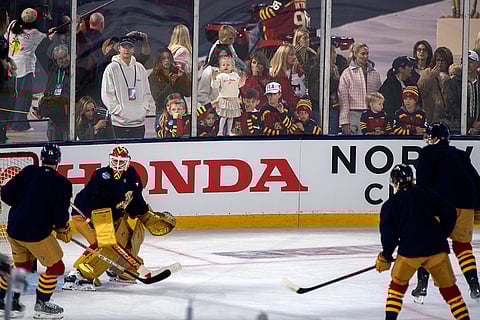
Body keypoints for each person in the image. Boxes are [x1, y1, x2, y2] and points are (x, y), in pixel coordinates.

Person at [63, 145, 176, 290]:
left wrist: (147, 216)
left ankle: (121, 270)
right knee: (106, 245)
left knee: (128, 240)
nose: (117, 165)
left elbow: (135, 199)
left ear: (128, 162)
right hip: (87, 216)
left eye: (121, 162)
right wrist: (93, 218)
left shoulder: (132, 176)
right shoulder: (101, 175)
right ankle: (79, 274)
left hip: (112, 218)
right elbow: (90, 199)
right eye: (114, 161)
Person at [376, 164, 470, 320]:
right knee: (450, 290)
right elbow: (449, 211)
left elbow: (389, 236)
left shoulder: (390, 204)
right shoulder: (426, 193)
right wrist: (442, 233)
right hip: (437, 249)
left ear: (395, 182)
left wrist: (385, 256)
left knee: (397, 287)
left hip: (410, 253)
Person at [0, 143, 72, 319]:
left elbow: (6, 194)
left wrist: (25, 206)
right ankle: (42, 303)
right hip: (36, 233)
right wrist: (63, 227)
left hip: (14, 228)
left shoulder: (29, 171)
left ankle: (6, 303)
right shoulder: (62, 182)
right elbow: (60, 215)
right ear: (58, 161)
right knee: (56, 266)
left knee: (22, 266)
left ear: (42, 158)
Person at [411, 122, 480, 302]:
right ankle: (474, 286)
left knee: (427, 243)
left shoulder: (427, 153)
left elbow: (423, 183)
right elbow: (476, 181)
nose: (426, 139)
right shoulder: (460, 155)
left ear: (435, 138)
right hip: (466, 204)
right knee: (462, 247)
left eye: (428, 136)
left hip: (441, 205)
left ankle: (422, 286)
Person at [101, 36, 155, 139]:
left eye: (129, 47)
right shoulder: (111, 69)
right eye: (123, 47)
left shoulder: (140, 68)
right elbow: (107, 95)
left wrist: (143, 110)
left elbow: (147, 92)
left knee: (138, 153)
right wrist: (120, 111)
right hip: (119, 124)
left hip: (139, 123)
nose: (126, 49)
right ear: (119, 49)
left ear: (133, 50)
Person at [338, 43, 382, 135]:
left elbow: (379, 97)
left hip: (371, 116)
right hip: (353, 115)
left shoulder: (375, 74)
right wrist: (344, 122)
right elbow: (343, 100)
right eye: (362, 54)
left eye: (367, 53)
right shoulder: (347, 73)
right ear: (355, 54)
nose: (365, 56)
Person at [148, 48, 191, 130]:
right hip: (163, 113)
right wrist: (171, 83)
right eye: (163, 58)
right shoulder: (153, 77)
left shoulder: (177, 73)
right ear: (158, 61)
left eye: (168, 58)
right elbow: (159, 99)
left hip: (180, 113)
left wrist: (183, 77)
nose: (167, 60)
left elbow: (188, 93)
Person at [211, 56, 247, 136]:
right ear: (220, 67)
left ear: (232, 66)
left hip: (233, 99)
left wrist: (242, 80)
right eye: (223, 65)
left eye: (228, 64)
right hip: (224, 99)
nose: (226, 66)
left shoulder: (235, 75)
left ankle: (229, 131)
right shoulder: (220, 76)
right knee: (224, 116)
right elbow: (215, 86)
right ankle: (220, 132)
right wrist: (213, 79)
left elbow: (239, 85)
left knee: (231, 117)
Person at [417, 47, 453, 124]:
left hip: (444, 117)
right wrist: (430, 76)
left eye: (443, 60)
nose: (440, 63)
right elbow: (420, 91)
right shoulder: (427, 72)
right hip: (428, 115)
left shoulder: (452, 74)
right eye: (438, 60)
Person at [379, 56, 416, 123]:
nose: (412, 68)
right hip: (395, 123)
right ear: (401, 69)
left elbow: (418, 102)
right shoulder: (388, 85)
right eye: (409, 66)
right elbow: (388, 107)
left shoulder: (412, 84)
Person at [0, 7, 15, 143]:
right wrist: (4, 63)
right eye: (7, 17)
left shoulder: (2, 37)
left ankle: (2, 134)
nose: (9, 19)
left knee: (7, 107)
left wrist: (9, 60)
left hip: (4, 79)